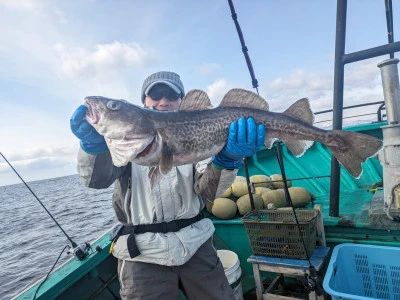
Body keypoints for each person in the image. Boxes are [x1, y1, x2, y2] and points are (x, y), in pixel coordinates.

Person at [70, 71, 265, 300]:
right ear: (143, 102)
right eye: (155, 95)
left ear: (181, 101)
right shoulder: (118, 146)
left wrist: (226, 161)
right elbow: (96, 181)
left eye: (171, 95)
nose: (163, 101)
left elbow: (209, 193)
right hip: (142, 254)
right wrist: (93, 149)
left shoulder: (198, 136)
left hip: (197, 246)